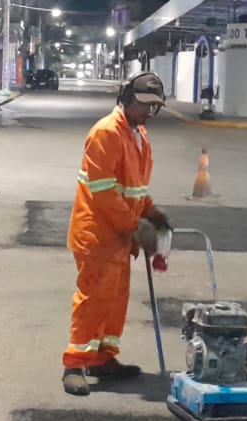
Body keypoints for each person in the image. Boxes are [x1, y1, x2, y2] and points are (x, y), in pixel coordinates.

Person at [62, 71, 170, 396]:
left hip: (120, 239)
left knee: (115, 301)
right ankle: (75, 364)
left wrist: (152, 213)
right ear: (126, 98)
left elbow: (134, 189)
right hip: (97, 236)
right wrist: (135, 226)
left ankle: (103, 359)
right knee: (93, 300)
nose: (148, 112)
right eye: (143, 104)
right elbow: (103, 191)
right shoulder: (106, 133)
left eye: (154, 107)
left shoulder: (139, 135)